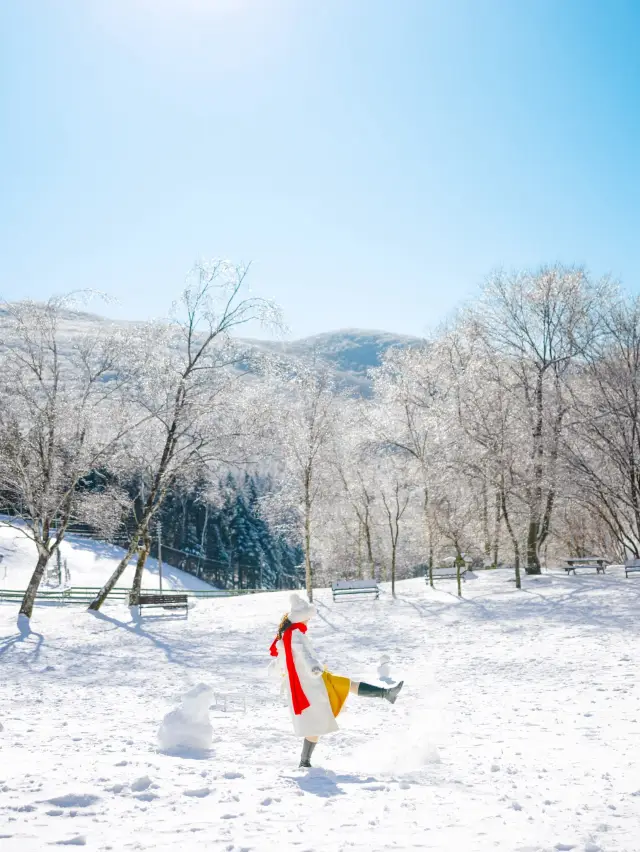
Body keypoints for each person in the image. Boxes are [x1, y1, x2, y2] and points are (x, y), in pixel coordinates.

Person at [268, 592, 403, 768]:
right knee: (315, 723)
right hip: (311, 683)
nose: (308, 621)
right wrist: (313, 667)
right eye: (307, 618)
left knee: (346, 686)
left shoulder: (290, 634)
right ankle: (304, 762)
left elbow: (285, 659)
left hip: (318, 678)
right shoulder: (294, 635)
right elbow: (304, 654)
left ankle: (386, 693)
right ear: (301, 617)